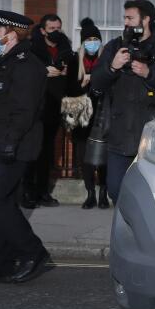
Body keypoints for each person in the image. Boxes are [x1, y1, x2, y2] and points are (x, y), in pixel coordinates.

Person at [0, 9, 51, 284]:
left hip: (11, 146)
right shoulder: (3, 61)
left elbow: (23, 111)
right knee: (3, 202)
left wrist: (9, 144)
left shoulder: (28, 65)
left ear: (11, 35)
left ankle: (33, 252)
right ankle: (0, 262)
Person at [90, 0, 155, 198]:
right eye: (125, 18)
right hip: (120, 133)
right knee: (115, 189)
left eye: (130, 18)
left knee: (148, 193)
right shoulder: (114, 47)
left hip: (154, 135)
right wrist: (112, 67)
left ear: (146, 19)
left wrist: (149, 73)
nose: (126, 22)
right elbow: (96, 84)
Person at [24, 13, 73, 208]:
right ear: (43, 30)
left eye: (58, 29)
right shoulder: (31, 48)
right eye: (52, 29)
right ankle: (27, 192)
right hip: (36, 108)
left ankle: (42, 192)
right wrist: (44, 71)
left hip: (54, 107)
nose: (56, 33)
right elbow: (23, 75)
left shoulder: (65, 48)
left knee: (47, 152)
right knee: (31, 151)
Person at [68, 18, 108, 210]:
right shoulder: (75, 60)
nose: (92, 42)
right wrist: (81, 85)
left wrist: (96, 80)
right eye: (89, 39)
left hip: (101, 115)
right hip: (81, 114)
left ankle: (103, 193)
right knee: (85, 158)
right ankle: (90, 192)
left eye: (95, 38)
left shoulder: (106, 59)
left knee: (102, 158)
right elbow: (68, 88)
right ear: (83, 41)